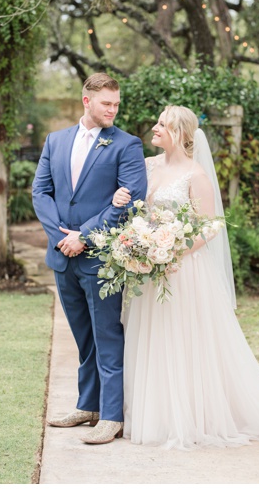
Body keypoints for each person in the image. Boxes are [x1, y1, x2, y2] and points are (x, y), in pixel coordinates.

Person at [110, 105, 259, 449]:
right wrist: (127, 212)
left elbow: (209, 227)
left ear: (181, 134)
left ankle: (188, 414)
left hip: (182, 270)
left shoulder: (196, 176)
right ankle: (151, 410)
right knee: (151, 337)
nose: (155, 128)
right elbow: (130, 205)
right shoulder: (145, 166)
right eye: (158, 122)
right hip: (148, 268)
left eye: (163, 124)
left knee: (182, 340)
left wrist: (171, 249)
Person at [32, 72, 148, 444]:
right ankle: (88, 405)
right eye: (106, 104)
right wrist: (61, 237)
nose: (113, 110)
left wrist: (85, 236)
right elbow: (41, 191)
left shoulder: (126, 144)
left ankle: (111, 416)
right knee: (83, 338)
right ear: (87, 102)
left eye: (116, 104)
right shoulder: (56, 140)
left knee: (107, 336)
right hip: (63, 257)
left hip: (101, 258)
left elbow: (130, 197)